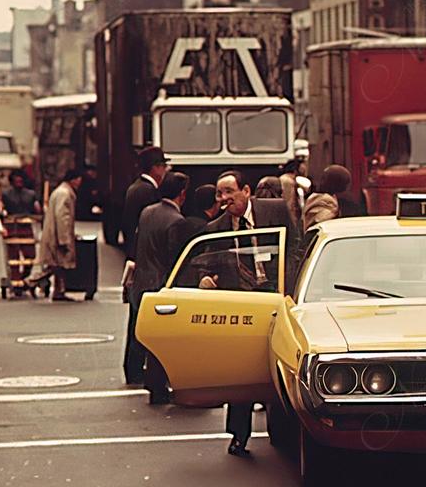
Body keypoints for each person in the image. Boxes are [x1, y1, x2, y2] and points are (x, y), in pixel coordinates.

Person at [205, 169, 292, 457]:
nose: (224, 198)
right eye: (220, 193)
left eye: (229, 191)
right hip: (240, 303)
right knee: (241, 371)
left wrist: (289, 287)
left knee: (279, 363)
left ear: (246, 191)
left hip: (274, 296)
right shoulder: (216, 228)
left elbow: (296, 247)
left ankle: (282, 430)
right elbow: (210, 265)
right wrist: (207, 279)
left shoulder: (275, 211)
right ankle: (239, 435)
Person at [132, 172, 193, 405]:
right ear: (182, 193)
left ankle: (148, 378)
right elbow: (173, 258)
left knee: (145, 337)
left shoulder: (147, 212)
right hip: (159, 284)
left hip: (141, 281)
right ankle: (158, 386)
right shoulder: (175, 220)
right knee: (162, 340)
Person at [122, 146, 168, 385]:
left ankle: (132, 366)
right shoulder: (149, 192)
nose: (166, 169)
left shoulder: (134, 188)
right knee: (141, 318)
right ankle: (137, 367)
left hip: (136, 259)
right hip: (146, 262)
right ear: (156, 168)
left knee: (135, 316)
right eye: (163, 165)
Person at [38, 169, 82, 302]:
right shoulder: (65, 194)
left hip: (55, 233)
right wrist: (65, 239)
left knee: (57, 266)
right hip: (57, 235)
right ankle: (29, 283)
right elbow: (63, 218)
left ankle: (59, 291)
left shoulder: (61, 191)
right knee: (56, 265)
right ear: (74, 179)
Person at [302, 165, 352, 230]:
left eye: (324, 178)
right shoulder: (325, 201)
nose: (320, 181)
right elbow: (324, 227)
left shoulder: (326, 199)